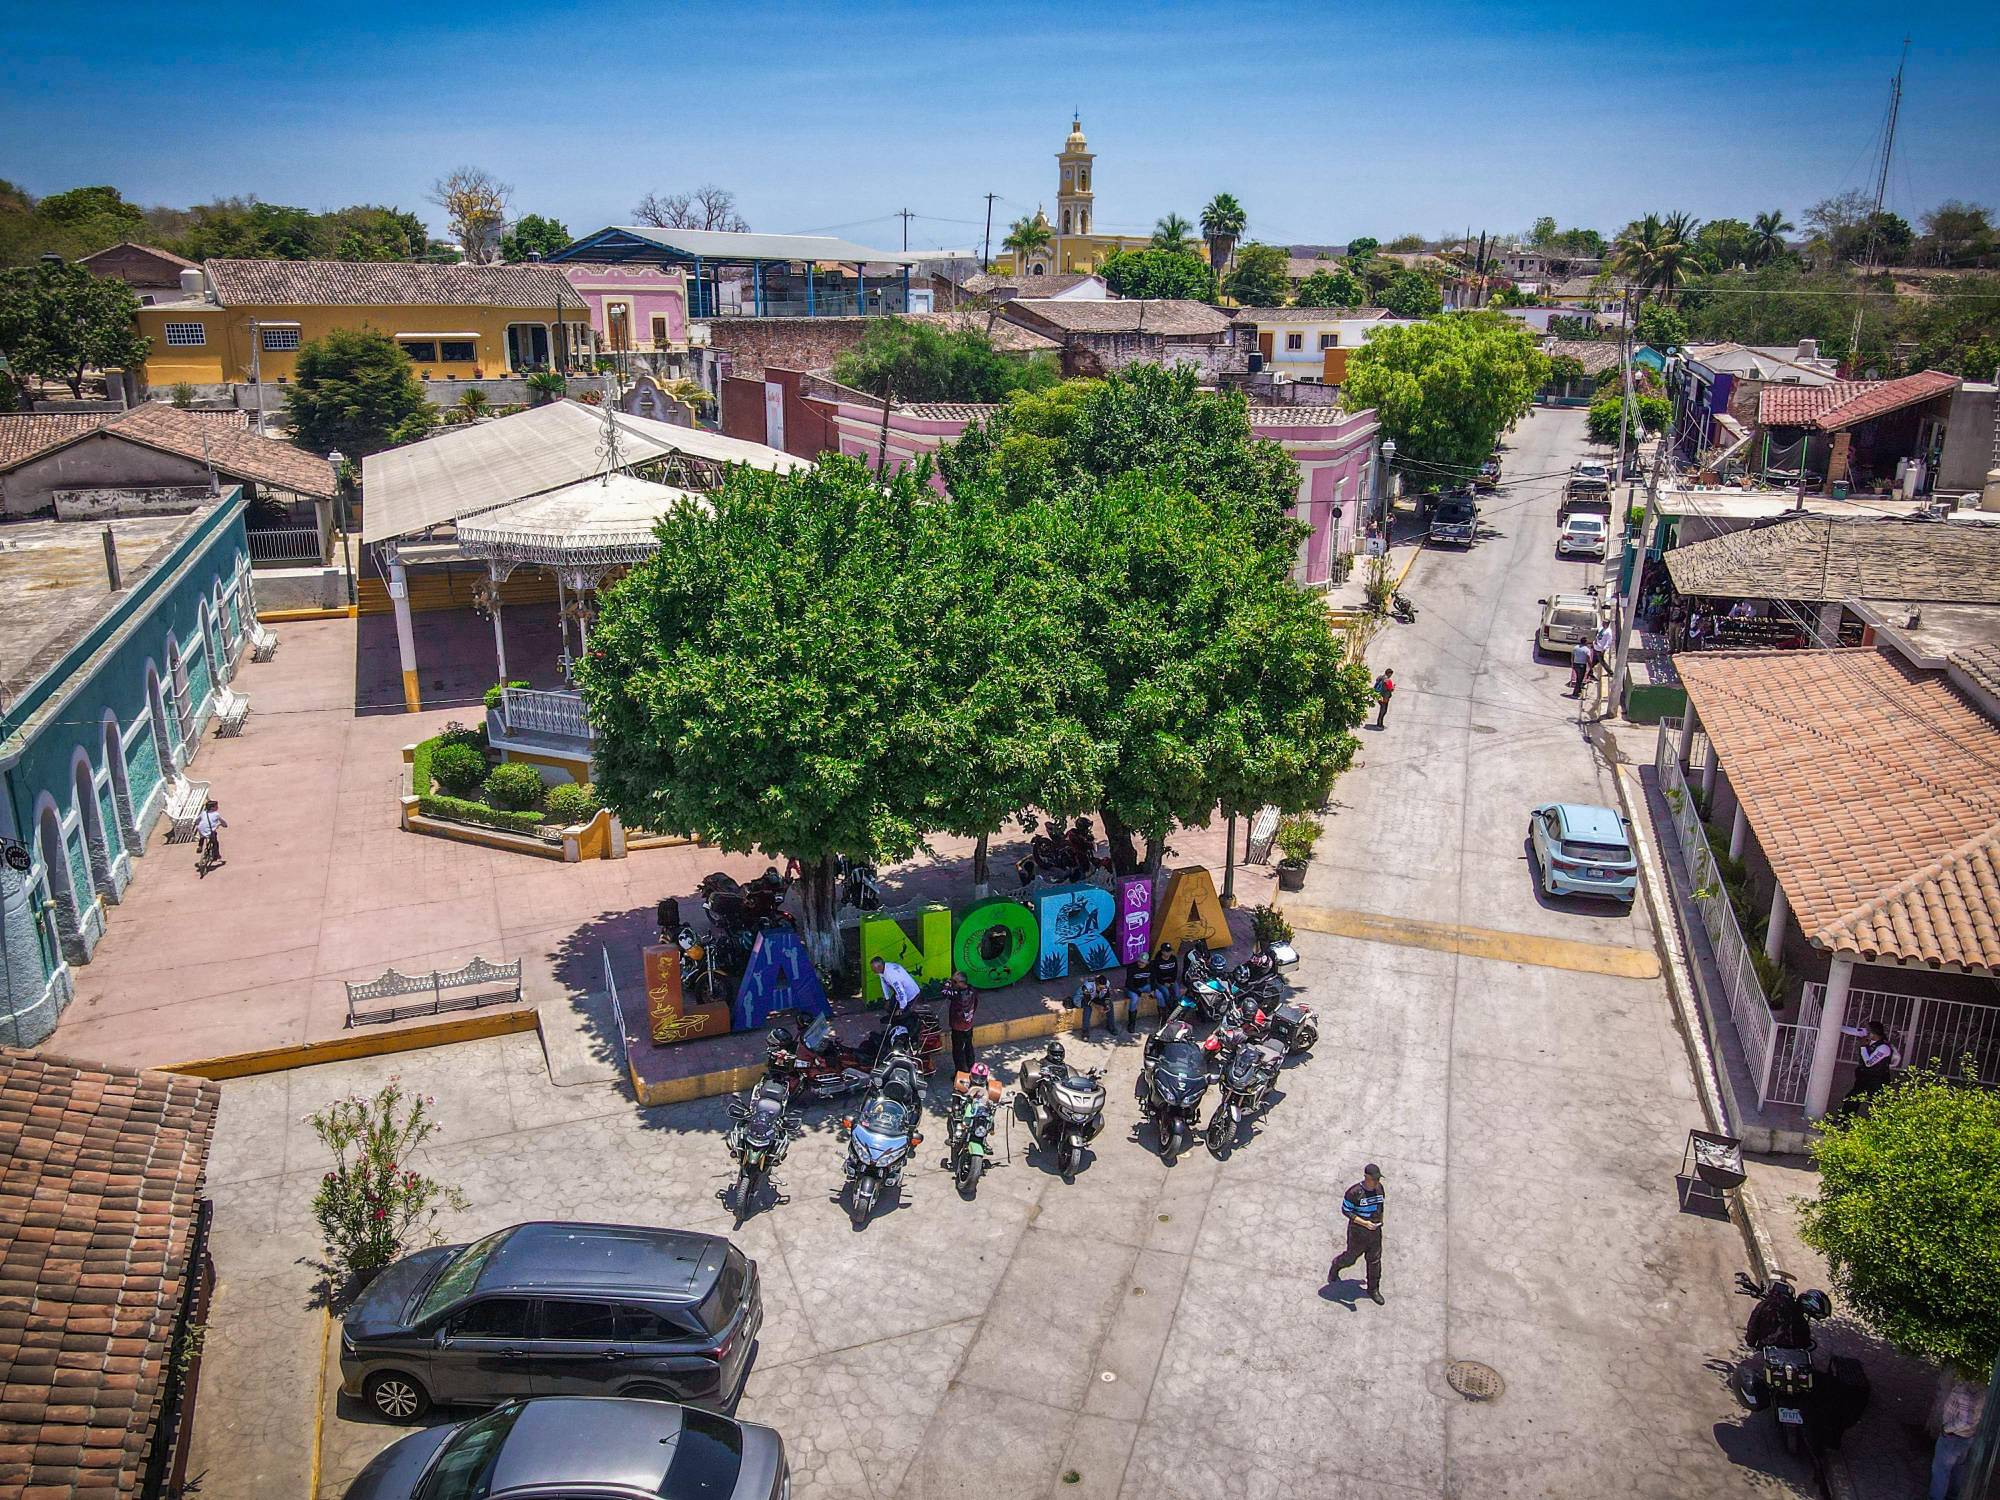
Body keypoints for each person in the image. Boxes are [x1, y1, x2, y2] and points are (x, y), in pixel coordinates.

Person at [1328, 1164, 1386, 1303]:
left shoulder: (1379, 1189)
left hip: (1374, 1232)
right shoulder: (1354, 1192)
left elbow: (1381, 1206)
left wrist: (1380, 1221)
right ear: (1366, 1177)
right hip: (1358, 1233)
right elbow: (1346, 1211)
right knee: (1350, 1258)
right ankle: (1336, 1266)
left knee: (1375, 1262)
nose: (1377, 1182)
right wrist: (1365, 1223)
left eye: (1378, 1179)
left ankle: (1373, 1289)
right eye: (1374, 1179)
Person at [1931, 1368, 1986, 1500]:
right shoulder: (1983, 1389)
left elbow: (1965, 1421)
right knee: (1958, 1471)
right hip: (1968, 1438)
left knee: (1941, 1471)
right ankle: (1952, 1496)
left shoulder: (1964, 1391)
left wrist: (1947, 1429)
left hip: (1953, 1438)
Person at [1838, 1020, 1901, 1118]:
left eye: (1867, 1031)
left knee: (1876, 1104)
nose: (1864, 1032)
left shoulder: (1884, 1047)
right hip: (1864, 1078)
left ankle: (1877, 1127)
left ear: (1873, 1033)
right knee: (1852, 1099)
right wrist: (1834, 1025)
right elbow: (1851, 1030)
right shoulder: (1870, 1038)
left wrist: (1863, 1046)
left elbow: (1869, 1063)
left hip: (1878, 1080)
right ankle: (1843, 1122)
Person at [942, 970, 977, 1075]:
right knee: (969, 1047)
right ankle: (971, 1067)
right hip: (968, 1024)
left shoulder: (956, 995)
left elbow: (944, 992)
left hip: (958, 1027)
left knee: (958, 1051)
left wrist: (948, 982)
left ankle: (960, 1073)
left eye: (955, 982)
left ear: (961, 982)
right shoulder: (972, 990)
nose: (953, 983)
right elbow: (976, 1005)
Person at [871, 956, 920, 1023]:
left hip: (910, 994)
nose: (872, 970)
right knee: (890, 1007)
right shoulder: (882, 969)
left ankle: (906, 1022)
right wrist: (887, 999)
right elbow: (884, 982)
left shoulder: (891, 975)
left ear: (879, 967)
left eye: (873, 968)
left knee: (901, 1015)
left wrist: (901, 1009)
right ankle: (895, 1020)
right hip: (900, 991)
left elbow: (901, 992)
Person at [1073, 971, 1113, 1038]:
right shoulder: (1087, 985)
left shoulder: (1106, 984)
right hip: (1082, 998)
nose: (1102, 989)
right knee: (1088, 1009)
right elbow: (1087, 1001)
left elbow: (1107, 996)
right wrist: (1098, 1007)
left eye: (1103, 988)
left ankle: (1111, 1026)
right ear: (1096, 984)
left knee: (1110, 1004)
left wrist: (1107, 1005)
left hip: (1095, 997)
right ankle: (1085, 1032)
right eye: (1100, 988)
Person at [193, 800, 227, 874]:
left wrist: (196, 823)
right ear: (212, 808)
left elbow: (197, 821)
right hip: (210, 832)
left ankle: (200, 846)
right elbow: (223, 822)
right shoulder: (216, 814)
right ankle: (216, 855)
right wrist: (224, 825)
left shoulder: (203, 813)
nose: (217, 807)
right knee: (215, 842)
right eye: (216, 806)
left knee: (202, 836)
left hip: (201, 830)